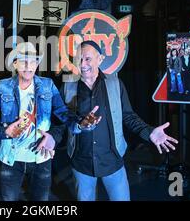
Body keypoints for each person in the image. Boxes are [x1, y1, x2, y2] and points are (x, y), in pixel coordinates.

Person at [0, 42, 92, 201]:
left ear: (37, 64)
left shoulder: (47, 85)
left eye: (32, 61)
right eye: (23, 61)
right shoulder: (2, 87)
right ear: (15, 63)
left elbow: (62, 113)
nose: (28, 66)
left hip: (41, 157)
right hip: (11, 157)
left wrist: (80, 123)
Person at [61, 41, 178, 201]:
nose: (82, 64)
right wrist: (75, 126)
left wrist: (149, 132)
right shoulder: (69, 86)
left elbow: (128, 116)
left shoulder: (114, 84)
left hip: (113, 162)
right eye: (79, 59)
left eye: (87, 59)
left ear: (100, 59)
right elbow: (62, 119)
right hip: (82, 163)